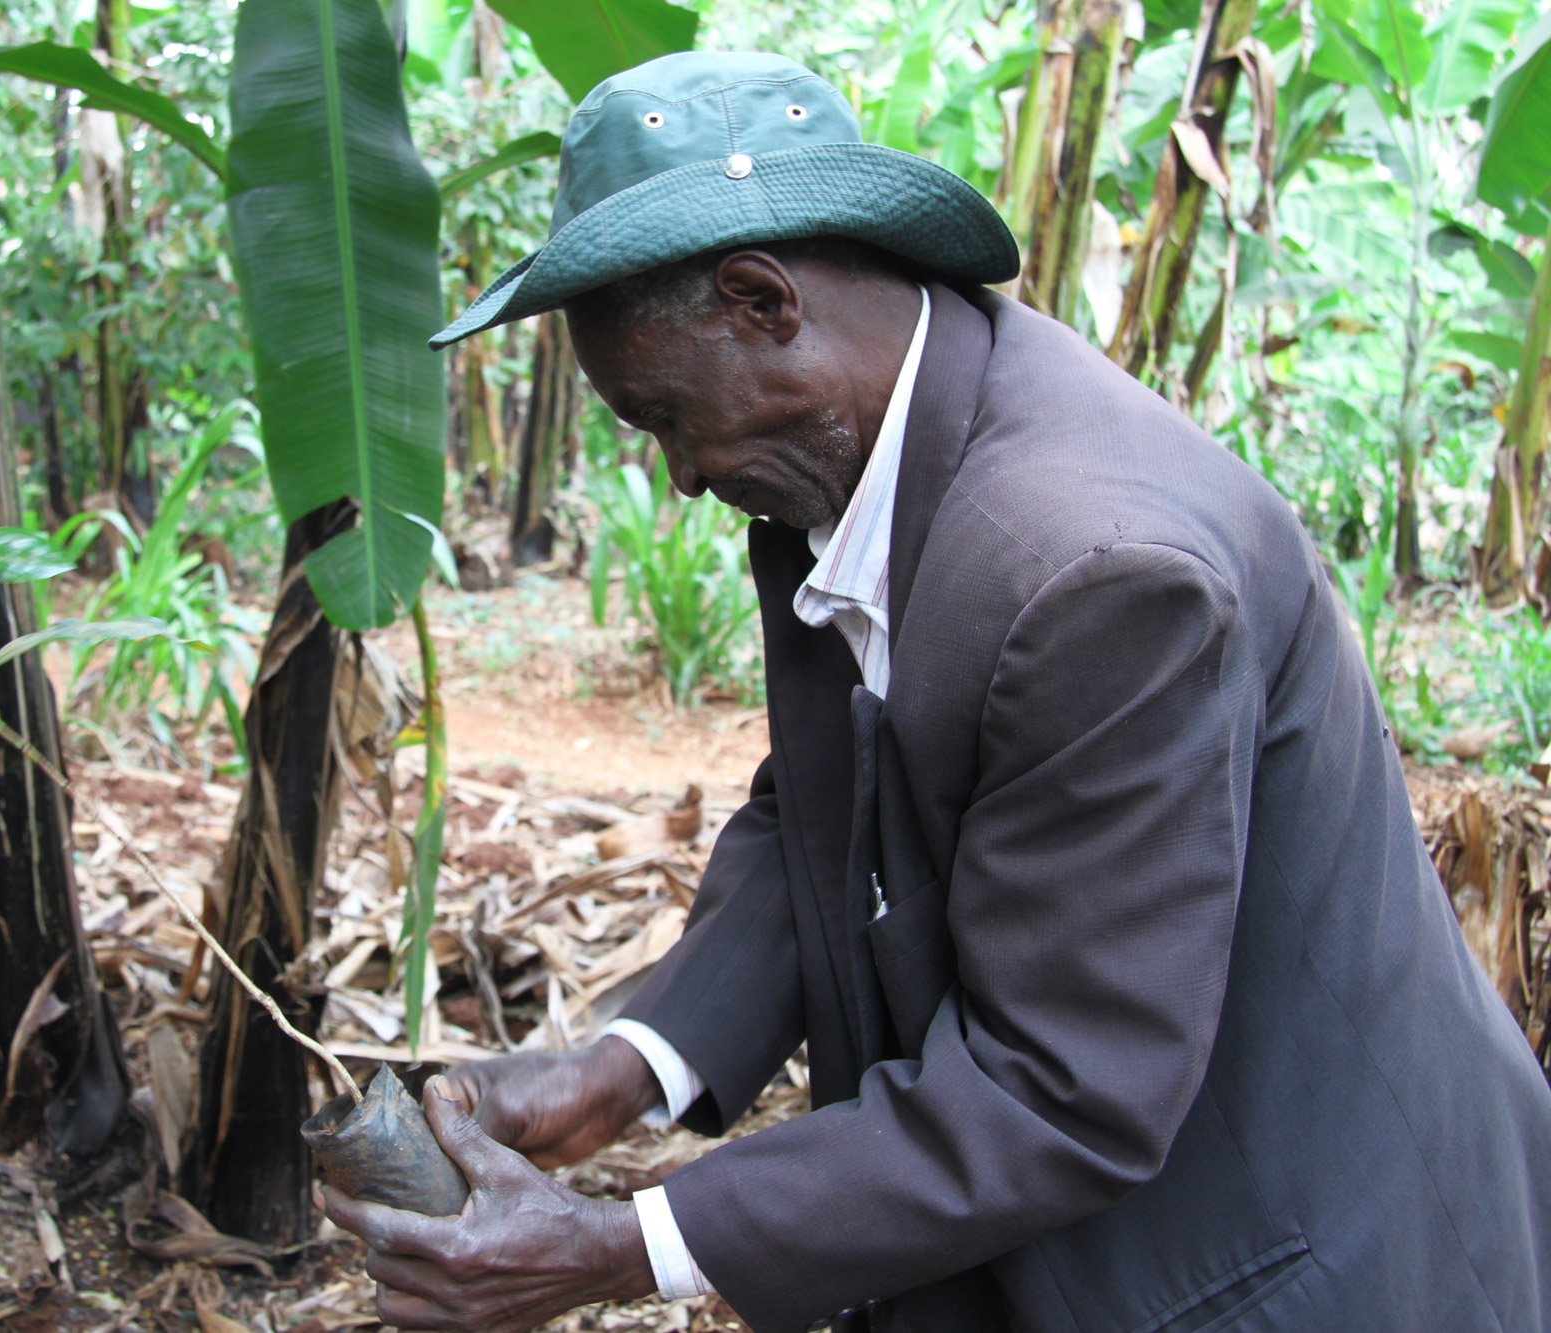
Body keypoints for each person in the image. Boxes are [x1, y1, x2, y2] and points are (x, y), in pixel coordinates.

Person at [321, 50, 1551, 1333]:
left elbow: (1059, 1086)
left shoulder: (1096, 578)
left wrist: (622, 1245)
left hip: (1286, 1257)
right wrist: (622, 1070)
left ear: (759, 300)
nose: (679, 474)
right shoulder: (848, 453)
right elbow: (831, 803)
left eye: (665, 417)